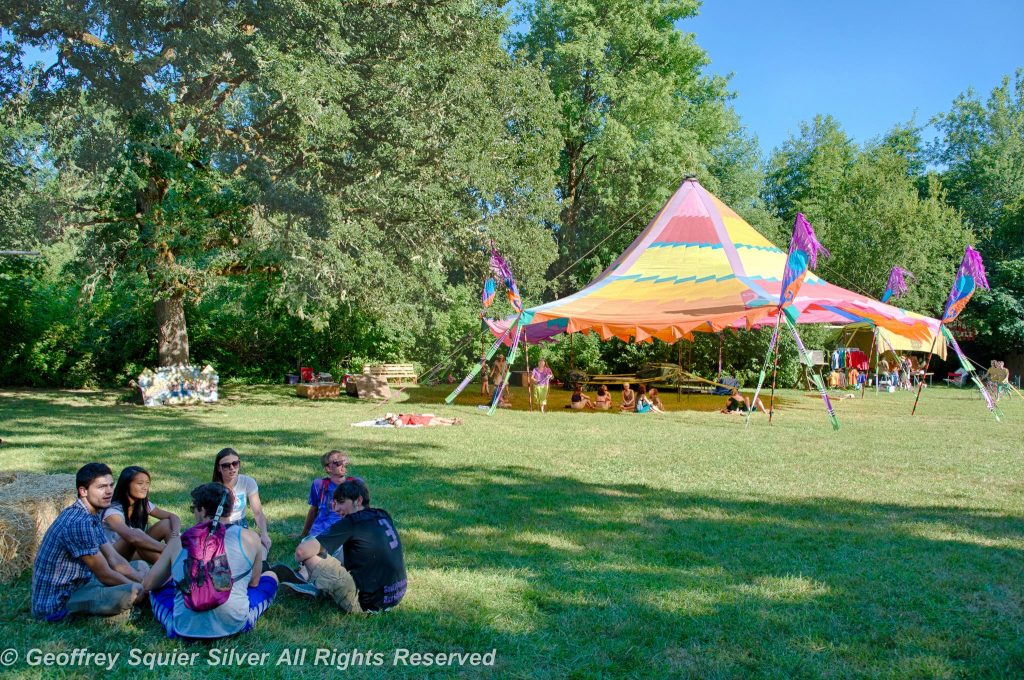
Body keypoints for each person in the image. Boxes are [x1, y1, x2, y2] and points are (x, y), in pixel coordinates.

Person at [144, 483, 278, 639]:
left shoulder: (179, 541)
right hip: (235, 625)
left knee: (158, 590)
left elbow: (148, 585)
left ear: (202, 510)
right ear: (231, 507)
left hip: (183, 628)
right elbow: (254, 583)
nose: (194, 512)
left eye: (193, 508)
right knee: (270, 577)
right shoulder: (251, 538)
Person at [32, 463, 147, 621]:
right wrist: (144, 589)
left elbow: (114, 559)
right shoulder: (79, 523)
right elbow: (105, 574)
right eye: (101, 487)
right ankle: (98, 616)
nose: (109, 492)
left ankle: (120, 607)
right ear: (83, 491)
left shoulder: (93, 513)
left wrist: (145, 582)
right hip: (60, 602)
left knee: (140, 566)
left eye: (111, 485)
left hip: (82, 582)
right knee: (135, 590)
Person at [289, 478, 407, 613]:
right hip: (395, 595)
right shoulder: (382, 514)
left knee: (310, 554)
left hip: (366, 604)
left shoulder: (351, 522)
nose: (337, 509)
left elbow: (301, 552)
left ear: (358, 501)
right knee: (340, 548)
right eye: (335, 503)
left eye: (341, 502)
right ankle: (307, 576)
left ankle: (309, 580)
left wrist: (309, 554)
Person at [102, 466, 181, 564]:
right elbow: (132, 537)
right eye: (140, 483)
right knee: (136, 534)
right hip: (112, 554)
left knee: (166, 524)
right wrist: (168, 549)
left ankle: (176, 563)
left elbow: (172, 517)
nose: (145, 487)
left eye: (147, 483)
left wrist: (175, 534)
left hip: (134, 551)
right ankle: (176, 559)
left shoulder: (142, 504)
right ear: (126, 485)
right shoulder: (112, 511)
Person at [212, 448, 271, 552]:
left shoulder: (247, 482)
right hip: (221, 527)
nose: (232, 468)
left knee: (260, 545)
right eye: (226, 465)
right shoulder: (214, 488)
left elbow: (258, 512)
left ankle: (262, 564)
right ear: (219, 468)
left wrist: (264, 534)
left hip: (241, 524)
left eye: (235, 463)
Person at [299, 451, 350, 540]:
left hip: (346, 531)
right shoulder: (319, 485)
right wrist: (304, 533)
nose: (343, 464)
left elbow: (364, 510)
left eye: (344, 460)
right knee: (304, 551)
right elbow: (313, 510)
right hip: (321, 531)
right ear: (328, 468)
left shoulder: (355, 483)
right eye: (337, 462)